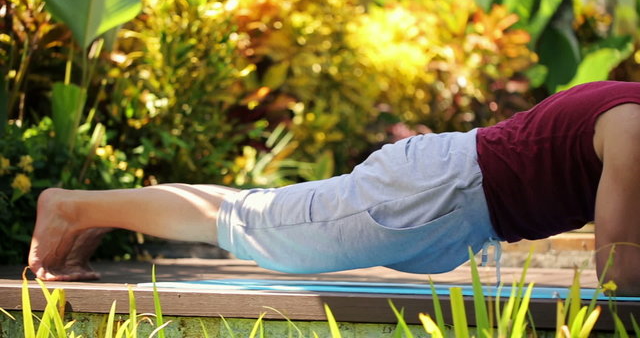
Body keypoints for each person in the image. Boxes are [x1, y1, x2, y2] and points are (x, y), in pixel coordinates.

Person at [28, 80, 640, 296]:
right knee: (256, 226)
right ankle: (73, 207)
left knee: (256, 219)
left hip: (453, 201)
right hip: (435, 193)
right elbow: (618, 269)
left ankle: (93, 212)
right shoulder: (635, 127)